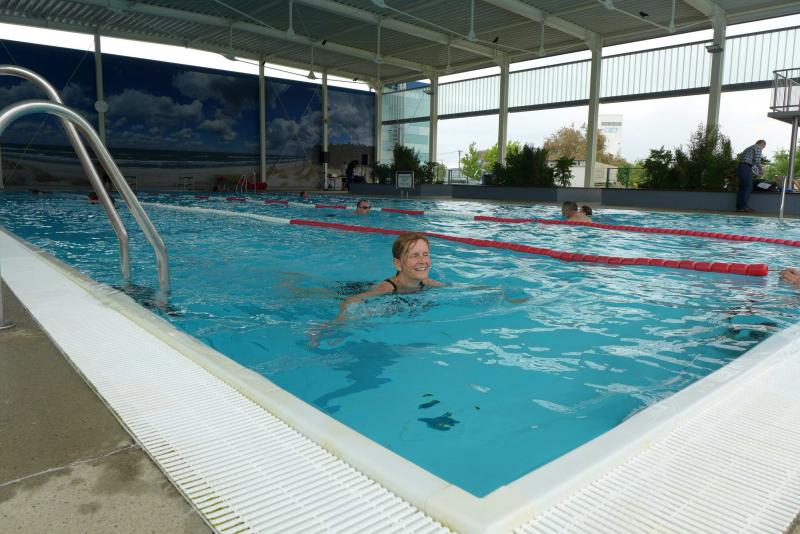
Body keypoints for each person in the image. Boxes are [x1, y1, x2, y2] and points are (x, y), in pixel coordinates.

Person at [337, 233, 444, 320]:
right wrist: (340, 321)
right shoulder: (386, 288)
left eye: (425, 254)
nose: (422, 261)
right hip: (355, 290)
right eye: (414, 255)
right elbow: (349, 301)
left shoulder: (429, 283)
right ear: (398, 264)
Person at [736, 139, 766, 212]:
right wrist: (761, 169)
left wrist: (757, 172)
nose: (762, 149)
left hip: (741, 167)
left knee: (742, 187)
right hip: (746, 167)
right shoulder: (757, 148)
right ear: (762, 144)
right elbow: (757, 161)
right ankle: (743, 206)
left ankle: (739, 207)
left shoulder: (749, 148)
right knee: (748, 186)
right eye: (763, 147)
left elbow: (750, 162)